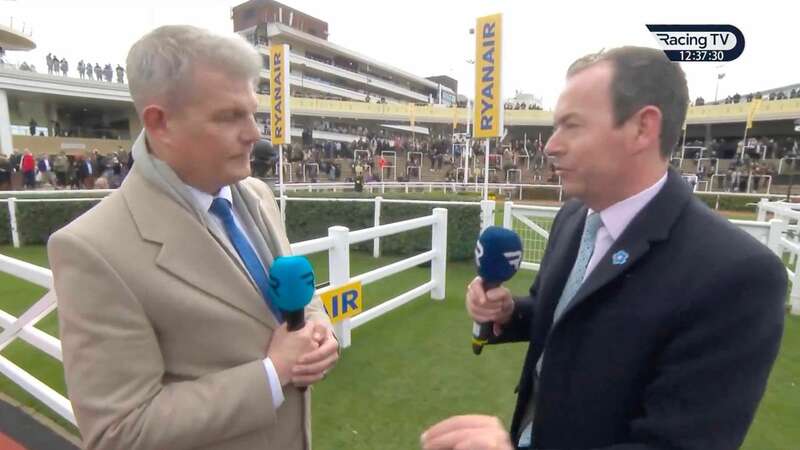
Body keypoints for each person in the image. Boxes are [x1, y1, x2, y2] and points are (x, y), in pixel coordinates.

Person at [426, 46, 787, 450]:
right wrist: (511, 312)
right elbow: (564, 317)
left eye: (572, 125)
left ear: (642, 129)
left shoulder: (738, 274)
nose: (550, 145)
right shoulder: (574, 218)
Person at [48, 25, 338, 450]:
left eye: (252, 113)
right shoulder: (92, 249)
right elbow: (121, 432)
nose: (254, 134)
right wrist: (273, 373)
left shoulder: (255, 194)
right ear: (160, 123)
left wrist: (317, 329)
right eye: (229, 116)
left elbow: (292, 291)